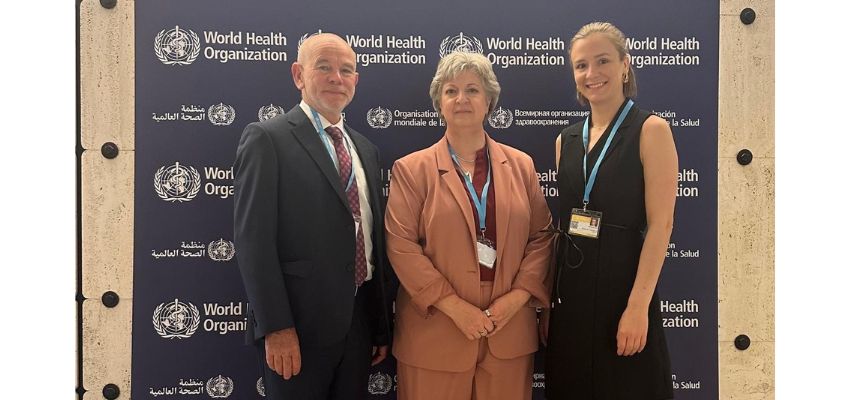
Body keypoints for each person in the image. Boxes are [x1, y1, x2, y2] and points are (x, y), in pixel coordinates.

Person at [233, 33, 394, 400]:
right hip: (297, 328)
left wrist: (379, 327)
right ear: (298, 75)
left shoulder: (366, 149)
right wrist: (276, 327)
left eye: (347, 70)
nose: (337, 77)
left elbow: (371, 239)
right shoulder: (267, 139)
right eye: (324, 67)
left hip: (358, 323)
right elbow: (252, 242)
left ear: (356, 80)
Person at [385, 51, 553, 400]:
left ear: (489, 100)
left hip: (508, 333)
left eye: (472, 90)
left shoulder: (521, 166)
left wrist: (516, 300)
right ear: (439, 102)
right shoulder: (411, 169)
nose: (461, 99)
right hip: (435, 334)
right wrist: (454, 307)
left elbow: (543, 238)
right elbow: (401, 246)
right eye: (451, 91)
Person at [542, 22, 678, 399]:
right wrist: (552, 306)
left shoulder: (651, 130)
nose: (592, 74)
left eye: (602, 61)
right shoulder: (565, 140)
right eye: (581, 66)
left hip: (625, 292)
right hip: (572, 297)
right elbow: (565, 226)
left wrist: (638, 307)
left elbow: (661, 225)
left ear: (624, 65)